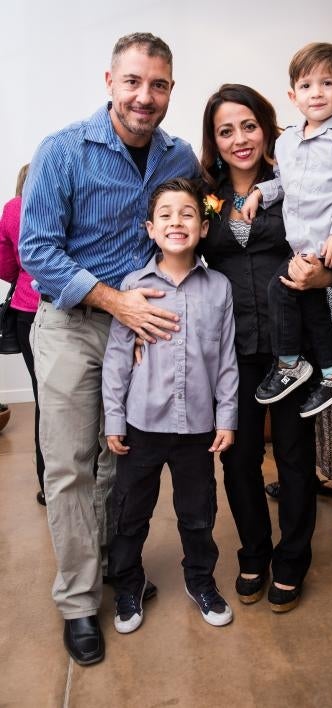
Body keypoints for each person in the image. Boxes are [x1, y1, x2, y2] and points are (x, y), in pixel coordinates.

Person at [19, 33, 199, 666]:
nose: (144, 97)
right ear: (109, 81)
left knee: (117, 463)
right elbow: (37, 251)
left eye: (157, 85)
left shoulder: (180, 156)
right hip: (72, 325)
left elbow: (196, 226)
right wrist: (115, 300)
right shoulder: (64, 151)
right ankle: (76, 601)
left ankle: (111, 570)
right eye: (133, 82)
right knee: (69, 465)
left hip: (142, 331)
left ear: (170, 90)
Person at [199, 83, 332, 612]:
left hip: (291, 351)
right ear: (214, 141)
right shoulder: (202, 192)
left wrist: (320, 275)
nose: (240, 139)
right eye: (226, 130)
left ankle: (292, 560)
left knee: (293, 456)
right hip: (229, 347)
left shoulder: (296, 182)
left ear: (267, 126)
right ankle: (253, 553)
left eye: (249, 125)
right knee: (235, 460)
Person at [102, 178, 238, 632]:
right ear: (150, 227)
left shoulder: (219, 287)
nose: (176, 222)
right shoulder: (132, 286)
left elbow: (226, 359)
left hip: (198, 426)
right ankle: (127, 583)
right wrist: (114, 418)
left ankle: (200, 580)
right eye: (166, 214)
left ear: (202, 227)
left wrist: (227, 417)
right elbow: (118, 359)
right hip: (142, 423)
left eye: (187, 214)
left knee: (198, 513)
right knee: (129, 512)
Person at [242, 42, 332, 416]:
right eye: (306, 86)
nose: (316, 93)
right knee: (309, 302)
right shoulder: (286, 142)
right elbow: (284, 183)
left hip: (330, 244)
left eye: (327, 83)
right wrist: (259, 193)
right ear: (293, 96)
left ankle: (289, 364)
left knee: (278, 290)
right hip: (302, 245)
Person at [0, 163, 47, 506]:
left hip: (25, 313)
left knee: (44, 400)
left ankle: (47, 484)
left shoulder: (13, 210)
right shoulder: (59, 203)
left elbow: (4, 266)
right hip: (60, 310)